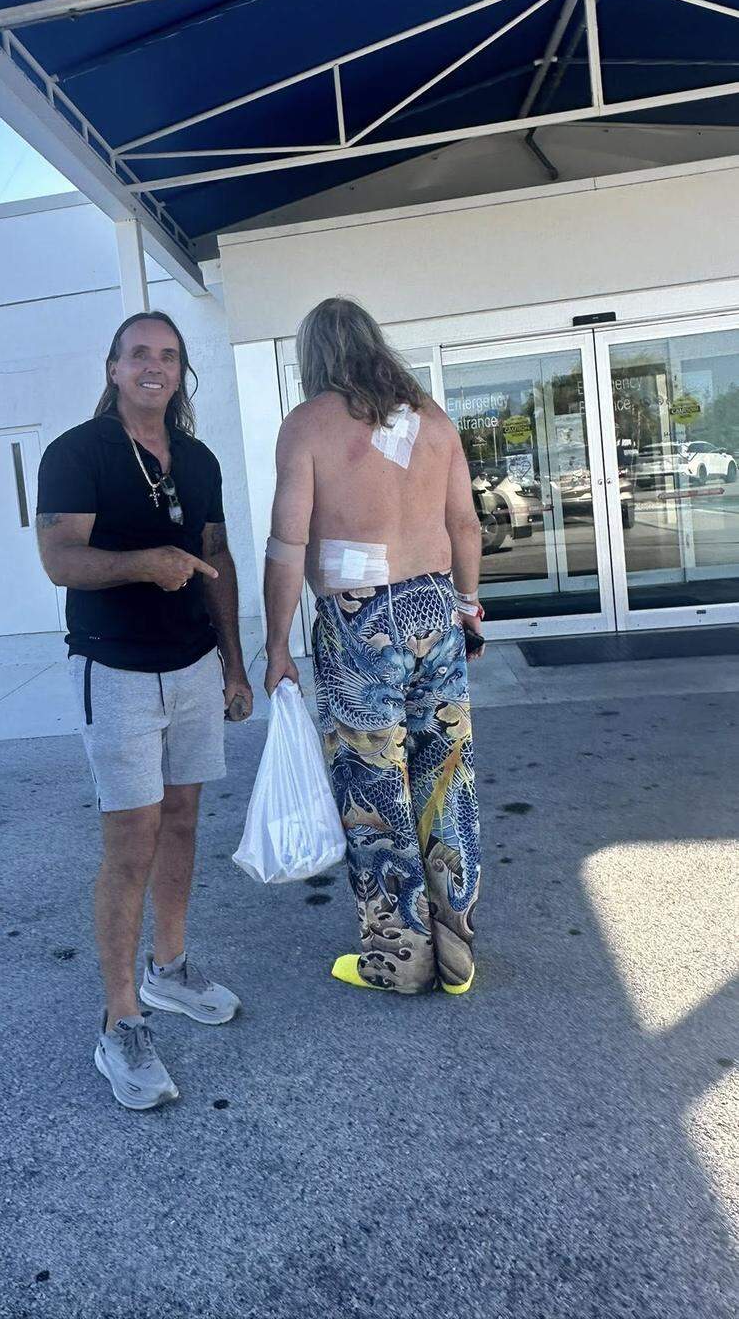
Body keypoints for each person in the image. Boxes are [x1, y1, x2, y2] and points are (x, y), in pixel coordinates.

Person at [36, 309, 253, 1109]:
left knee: (186, 823)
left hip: (194, 665)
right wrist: (145, 564)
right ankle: (119, 1019)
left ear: (180, 370)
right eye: (139, 355)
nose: (153, 367)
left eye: (168, 355)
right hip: (116, 670)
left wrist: (233, 662)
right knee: (132, 839)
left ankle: (169, 970)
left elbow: (217, 558)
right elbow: (59, 560)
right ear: (114, 366)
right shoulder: (77, 453)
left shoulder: (195, 459)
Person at [263, 296, 483, 996]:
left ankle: (399, 959)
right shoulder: (435, 422)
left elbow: (286, 547)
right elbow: (467, 527)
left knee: (374, 786)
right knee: (444, 776)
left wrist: (276, 645)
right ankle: (456, 953)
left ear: (314, 357)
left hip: (361, 625)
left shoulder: (308, 427)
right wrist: (469, 608)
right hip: (436, 608)